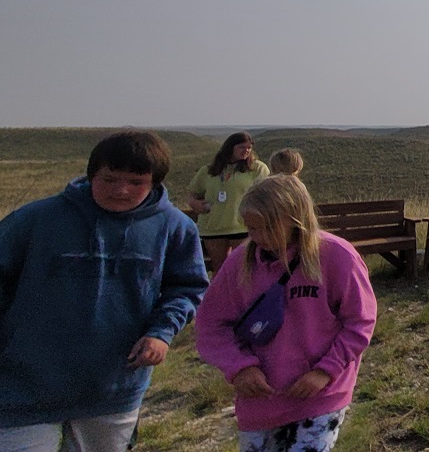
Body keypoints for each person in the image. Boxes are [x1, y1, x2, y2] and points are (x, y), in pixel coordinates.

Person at [0, 131, 208, 452]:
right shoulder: (35, 220)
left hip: (113, 387)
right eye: (109, 180)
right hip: (25, 384)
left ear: (155, 182)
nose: (121, 190)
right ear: (91, 174)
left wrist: (161, 333)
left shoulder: (175, 228)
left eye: (136, 182)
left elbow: (186, 288)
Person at [195, 175, 378, 452]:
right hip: (260, 401)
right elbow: (211, 324)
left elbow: (360, 322)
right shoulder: (240, 263)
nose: (257, 238)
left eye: (267, 228)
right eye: (251, 229)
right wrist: (239, 368)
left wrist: (324, 372)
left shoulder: (336, 256)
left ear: (295, 219)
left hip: (319, 394)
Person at [187, 131, 271, 273]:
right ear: (230, 148)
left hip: (242, 226)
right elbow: (192, 192)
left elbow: (267, 193)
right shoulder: (209, 170)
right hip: (213, 227)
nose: (246, 151)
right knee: (220, 270)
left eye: (249, 148)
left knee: (244, 269)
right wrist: (195, 204)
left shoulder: (257, 169)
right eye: (242, 147)